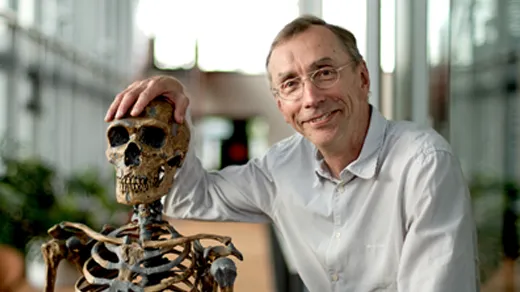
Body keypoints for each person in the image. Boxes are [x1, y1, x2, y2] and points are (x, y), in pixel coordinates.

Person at [105, 15, 479, 292]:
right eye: (291, 84)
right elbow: (189, 197)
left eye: (325, 73)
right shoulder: (280, 168)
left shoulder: (424, 165)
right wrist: (172, 114)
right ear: (281, 105)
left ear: (363, 78)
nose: (312, 98)